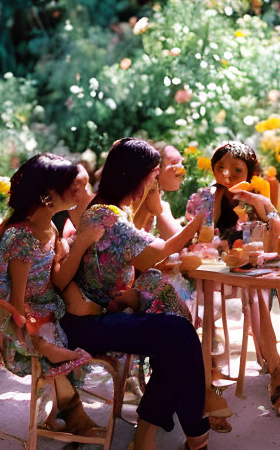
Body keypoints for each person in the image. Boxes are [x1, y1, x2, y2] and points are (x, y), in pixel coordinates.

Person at [58, 137, 213, 450]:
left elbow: (146, 259)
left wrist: (154, 206)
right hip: (88, 323)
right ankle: (194, 431)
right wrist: (201, 217)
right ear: (142, 176)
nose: (155, 182)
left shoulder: (107, 210)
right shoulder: (108, 216)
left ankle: (161, 435)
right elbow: (158, 252)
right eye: (154, 176)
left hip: (101, 315)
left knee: (175, 334)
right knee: (178, 333)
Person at [0, 154, 103, 436]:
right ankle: (74, 413)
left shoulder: (49, 229)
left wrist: (81, 242)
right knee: (51, 344)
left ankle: (64, 409)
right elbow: (16, 302)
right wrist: (32, 331)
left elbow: (59, 279)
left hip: (46, 314)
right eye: (70, 185)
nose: (77, 190)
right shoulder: (22, 237)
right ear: (48, 195)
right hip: (19, 324)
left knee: (69, 332)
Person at [186, 141, 280, 420]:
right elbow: (195, 241)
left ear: (250, 172)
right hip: (211, 271)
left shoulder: (259, 196)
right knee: (210, 306)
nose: (227, 174)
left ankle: (277, 375)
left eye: (236, 169)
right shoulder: (204, 197)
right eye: (220, 167)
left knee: (256, 295)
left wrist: (263, 204)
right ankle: (213, 382)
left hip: (248, 272)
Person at [132, 144, 187, 236]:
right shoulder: (150, 200)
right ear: (156, 170)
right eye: (174, 163)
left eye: (181, 163)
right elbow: (177, 238)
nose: (182, 170)